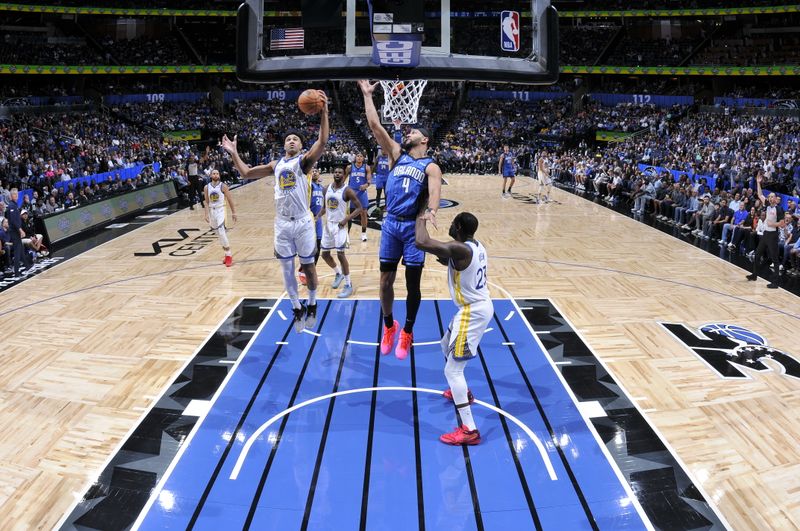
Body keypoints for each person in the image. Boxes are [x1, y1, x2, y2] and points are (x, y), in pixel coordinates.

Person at [219, 90, 329, 332]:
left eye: (296, 139)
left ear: (301, 146)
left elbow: (321, 142)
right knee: (287, 268)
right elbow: (246, 173)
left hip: (302, 222)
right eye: (288, 138)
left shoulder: (304, 162)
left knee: (309, 266)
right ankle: (296, 307)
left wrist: (325, 112)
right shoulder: (275, 165)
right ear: (284, 144)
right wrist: (234, 153)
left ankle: (311, 303)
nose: (291, 140)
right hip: (282, 223)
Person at [358, 79, 442, 360]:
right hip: (391, 224)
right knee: (384, 282)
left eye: (413, 131)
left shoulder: (430, 165)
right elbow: (374, 126)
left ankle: (407, 331)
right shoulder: (396, 155)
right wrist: (368, 95)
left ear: (424, 139)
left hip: (413, 226)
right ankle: (389, 326)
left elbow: (435, 193)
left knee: (412, 285)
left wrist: (431, 212)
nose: (408, 132)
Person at [415, 211, 491, 446]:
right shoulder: (474, 246)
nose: (449, 225)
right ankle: (463, 392)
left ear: (458, 227)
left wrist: (420, 214)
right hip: (472, 309)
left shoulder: (462, 249)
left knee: (453, 371)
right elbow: (444, 257)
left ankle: (469, 429)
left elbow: (422, 242)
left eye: (451, 223)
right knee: (444, 345)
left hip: (473, 312)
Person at [317, 164, 363, 298]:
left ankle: (348, 284)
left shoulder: (347, 190)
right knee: (325, 254)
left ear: (344, 175)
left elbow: (359, 208)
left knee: (341, 255)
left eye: (340, 173)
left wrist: (346, 219)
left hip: (340, 226)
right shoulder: (326, 189)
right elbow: (326, 208)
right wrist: (317, 216)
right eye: (335, 172)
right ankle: (338, 273)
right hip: (328, 225)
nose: (337, 174)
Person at [746, 173, 785, 288]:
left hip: (773, 235)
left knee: (775, 259)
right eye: (770, 196)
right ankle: (754, 275)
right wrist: (758, 182)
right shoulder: (767, 204)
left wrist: (773, 223)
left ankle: (776, 283)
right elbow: (760, 194)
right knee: (757, 254)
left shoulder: (779, 209)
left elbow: (782, 224)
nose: (770, 197)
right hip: (766, 234)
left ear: (776, 199)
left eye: (772, 196)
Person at [203, 169, 237, 267]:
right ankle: (226, 254)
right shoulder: (206, 187)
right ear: (210, 175)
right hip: (211, 211)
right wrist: (206, 214)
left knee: (222, 232)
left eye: (217, 173)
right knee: (218, 234)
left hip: (221, 210)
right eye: (214, 173)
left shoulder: (223, 186)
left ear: (219, 175)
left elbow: (230, 200)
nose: (216, 175)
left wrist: (234, 212)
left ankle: (229, 255)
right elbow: (206, 202)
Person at [299, 167, 324, 285]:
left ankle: (311, 270)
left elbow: (324, 206)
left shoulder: (321, 188)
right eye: (312, 170)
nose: (314, 172)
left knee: (318, 248)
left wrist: (319, 215)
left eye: (316, 171)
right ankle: (303, 270)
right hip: (308, 220)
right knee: (307, 248)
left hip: (318, 221)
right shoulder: (309, 186)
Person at [346, 152, 372, 241]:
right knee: (349, 214)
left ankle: (364, 233)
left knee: (364, 213)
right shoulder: (350, 167)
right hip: (352, 192)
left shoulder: (366, 167)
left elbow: (369, 180)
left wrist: (366, 185)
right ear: (355, 157)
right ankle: (347, 235)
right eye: (358, 156)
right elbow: (343, 179)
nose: (359, 157)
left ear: (363, 158)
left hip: (362, 193)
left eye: (361, 156)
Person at [6, 188, 27, 277]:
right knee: (17, 251)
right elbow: (14, 221)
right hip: (14, 231)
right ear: (11, 196)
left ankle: (27, 265)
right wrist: (20, 230)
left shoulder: (14, 205)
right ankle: (17, 273)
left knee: (21, 248)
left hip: (15, 231)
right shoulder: (11, 206)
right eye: (14, 194)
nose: (16, 196)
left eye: (17, 194)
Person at [373, 148, 390, 215]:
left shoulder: (389, 158)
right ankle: (377, 206)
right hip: (379, 176)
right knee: (378, 192)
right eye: (382, 150)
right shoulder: (378, 158)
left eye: (385, 149)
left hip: (387, 176)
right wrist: (372, 173)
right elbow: (374, 166)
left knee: (386, 193)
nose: (383, 151)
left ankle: (386, 206)